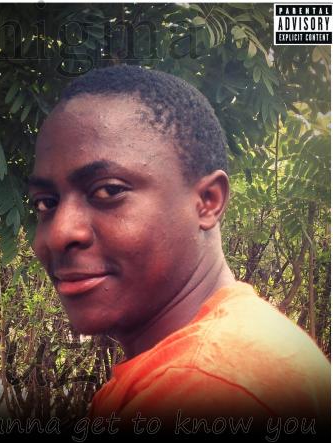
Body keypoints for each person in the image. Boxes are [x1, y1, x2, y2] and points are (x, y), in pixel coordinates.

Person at [28, 65, 330, 438]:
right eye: (45, 202)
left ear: (207, 201)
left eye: (108, 191)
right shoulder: (234, 348)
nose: (58, 234)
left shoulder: (209, 384)